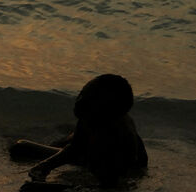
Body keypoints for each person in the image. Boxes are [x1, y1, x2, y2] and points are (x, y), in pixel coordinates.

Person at [10, 74, 148, 187]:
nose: (79, 101)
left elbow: (110, 185)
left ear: (106, 110)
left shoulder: (119, 137)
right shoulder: (89, 116)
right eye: (81, 93)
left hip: (104, 163)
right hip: (88, 155)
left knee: (23, 150)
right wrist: (45, 166)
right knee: (20, 147)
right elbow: (75, 148)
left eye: (88, 99)